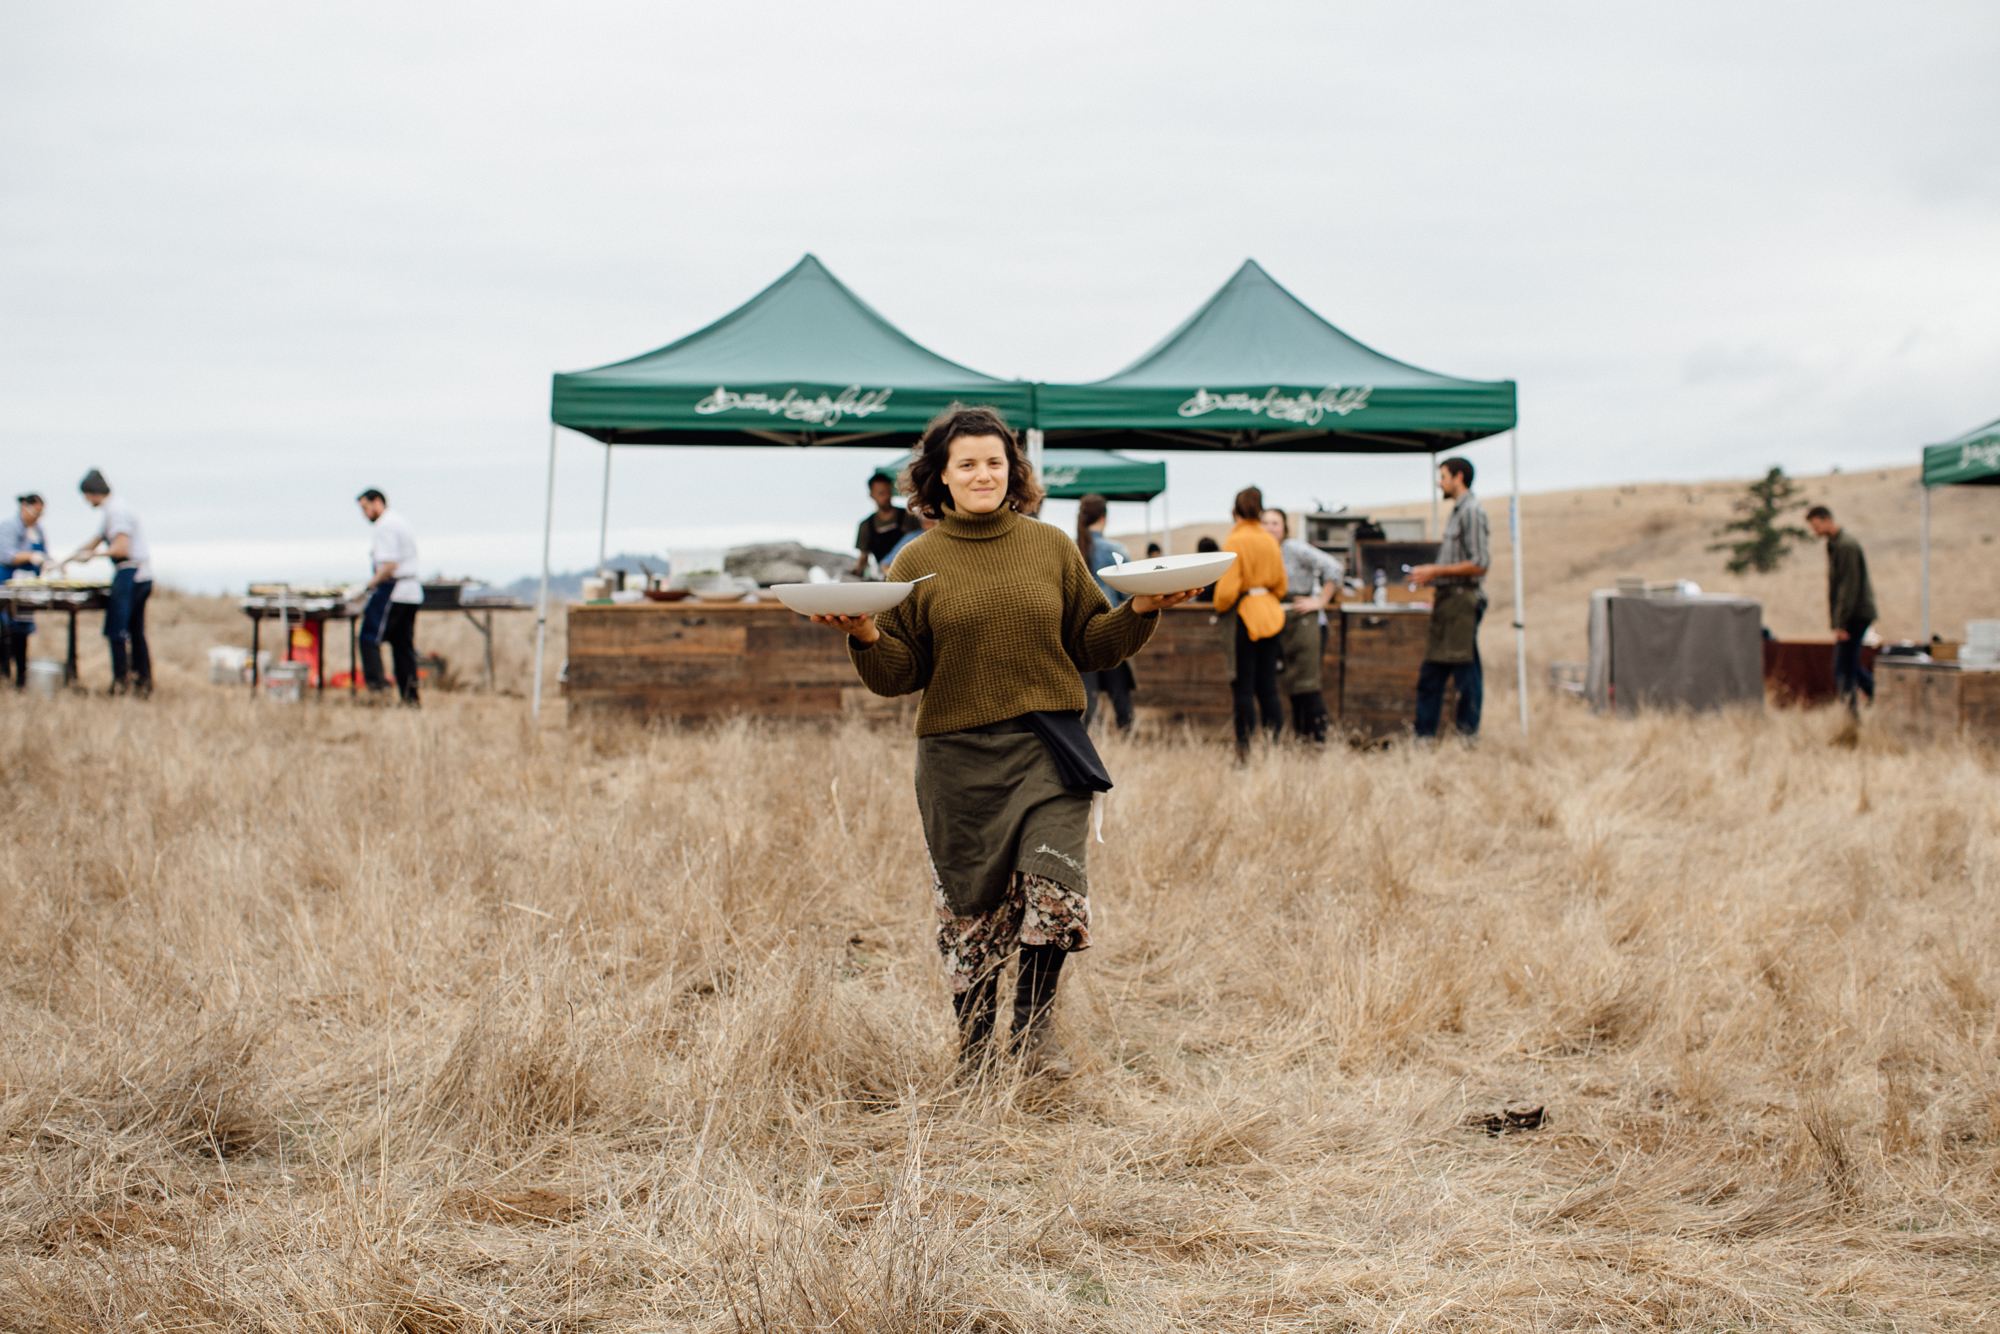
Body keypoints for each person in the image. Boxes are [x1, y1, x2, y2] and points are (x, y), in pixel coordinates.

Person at [808, 405, 1195, 1080]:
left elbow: (1091, 643)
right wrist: (866, 636)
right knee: (973, 912)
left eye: (996, 461)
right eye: (968, 464)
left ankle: (1035, 1035)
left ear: (1014, 470)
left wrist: (1140, 610)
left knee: (1055, 887)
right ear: (941, 479)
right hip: (957, 762)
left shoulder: (1049, 547)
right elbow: (900, 675)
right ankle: (977, 1051)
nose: (984, 474)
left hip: (1049, 747)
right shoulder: (916, 560)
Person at [1409, 457, 1489, 739]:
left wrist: (1436, 570)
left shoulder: (1472, 512)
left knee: (1465, 674)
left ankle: (1467, 736)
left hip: (1461, 600)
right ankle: (1424, 736)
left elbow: (1480, 562)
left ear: (1458, 477)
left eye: (1443, 476)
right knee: (1433, 674)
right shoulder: (1458, 511)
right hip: (1447, 600)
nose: (1439, 482)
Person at [61, 470, 153, 696]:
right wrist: (70, 558)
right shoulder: (114, 510)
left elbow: (121, 548)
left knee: (117, 629)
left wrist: (93, 556)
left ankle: (122, 683)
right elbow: (95, 540)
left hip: (130, 572)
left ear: (92, 493)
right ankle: (143, 681)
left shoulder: (116, 512)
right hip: (140, 574)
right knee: (135, 630)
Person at [1213, 487, 1288, 755]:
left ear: (1235, 511)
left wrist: (1219, 604)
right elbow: (1281, 585)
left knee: (1243, 686)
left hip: (1244, 617)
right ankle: (1273, 747)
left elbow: (1226, 591)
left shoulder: (1236, 540)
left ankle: (1244, 750)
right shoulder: (1269, 540)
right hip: (1270, 614)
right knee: (1268, 685)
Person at [1261, 507, 1343, 742]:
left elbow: (1334, 567)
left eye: (1275, 523)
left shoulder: (1294, 548)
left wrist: (1320, 600)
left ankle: (1319, 739)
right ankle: (1301, 738)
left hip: (1305, 621)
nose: (1269, 527)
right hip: (1281, 622)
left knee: (1307, 684)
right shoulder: (1264, 551)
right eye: (1265, 522)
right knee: (1291, 685)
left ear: (1285, 527)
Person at [1076, 494, 1137, 734]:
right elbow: (1127, 596)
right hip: (1112, 631)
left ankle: (1089, 742)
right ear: (1104, 517)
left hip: (1079, 635)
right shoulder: (1117, 551)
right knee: (1120, 694)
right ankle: (1126, 738)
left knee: (1086, 700)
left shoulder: (1069, 546)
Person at [1806, 504, 1876, 711]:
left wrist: (1841, 622)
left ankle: (1851, 710)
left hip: (1855, 614)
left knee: (1843, 667)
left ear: (1828, 520)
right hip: (1852, 614)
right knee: (1848, 664)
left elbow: (1848, 587)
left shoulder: (1845, 545)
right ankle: (1871, 696)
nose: (1815, 531)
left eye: (1817, 525)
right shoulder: (1835, 544)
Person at [356, 489, 423, 704]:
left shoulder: (384, 525)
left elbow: (389, 564)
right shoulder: (398, 521)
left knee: (368, 638)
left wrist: (370, 585)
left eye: (365, 508)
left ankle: (378, 692)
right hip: (410, 592)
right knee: (403, 646)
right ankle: (410, 698)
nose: (365, 514)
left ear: (377, 502)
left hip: (394, 590)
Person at [1, 493, 49, 688]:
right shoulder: (9, 527)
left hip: (28, 588)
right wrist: (30, 556)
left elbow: (45, 555)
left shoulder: (38, 531)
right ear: (24, 507)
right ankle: (4, 676)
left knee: (22, 631)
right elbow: (5, 555)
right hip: (6, 585)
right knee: (4, 631)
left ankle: (22, 679)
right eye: (36, 512)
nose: (38, 516)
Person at [853, 474, 921, 575]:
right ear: (872, 495)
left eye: (888, 492)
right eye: (881, 493)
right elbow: (863, 558)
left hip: (913, 572)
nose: (886, 497)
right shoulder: (866, 525)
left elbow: (921, 543)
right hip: (886, 576)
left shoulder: (908, 516)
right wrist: (856, 570)